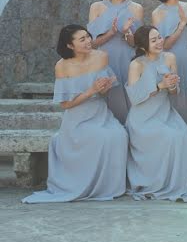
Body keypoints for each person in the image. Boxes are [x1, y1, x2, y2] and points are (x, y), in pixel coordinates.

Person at [23, 25, 127, 203]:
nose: (88, 42)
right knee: (100, 137)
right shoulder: (62, 66)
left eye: (88, 37)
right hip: (77, 117)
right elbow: (66, 104)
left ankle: (107, 187)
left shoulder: (101, 56)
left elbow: (103, 94)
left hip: (100, 112)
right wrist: (91, 90)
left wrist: (103, 88)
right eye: (82, 39)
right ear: (70, 46)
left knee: (119, 135)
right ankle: (85, 184)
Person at [125, 25, 187, 201]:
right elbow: (135, 98)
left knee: (184, 135)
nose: (160, 42)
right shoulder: (136, 65)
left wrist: (173, 84)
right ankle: (156, 183)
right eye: (154, 40)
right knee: (169, 137)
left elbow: (174, 92)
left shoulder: (169, 57)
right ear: (143, 46)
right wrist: (160, 85)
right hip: (143, 118)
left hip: (165, 113)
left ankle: (179, 183)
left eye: (159, 37)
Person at [87, 0, 142, 124]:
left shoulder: (136, 8)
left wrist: (126, 33)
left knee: (128, 98)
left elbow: (136, 44)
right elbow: (91, 44)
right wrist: (111, 32)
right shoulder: (97, 7)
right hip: (104, 60)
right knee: (108, 98)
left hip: (127, 59)